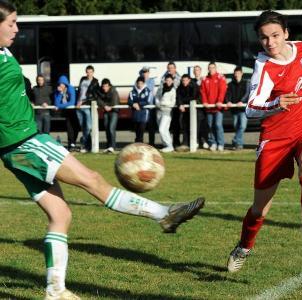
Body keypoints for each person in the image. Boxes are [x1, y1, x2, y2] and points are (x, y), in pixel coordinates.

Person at [0, 2, 205, 299]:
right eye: (12, 23)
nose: (17, 28)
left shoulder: (5, 53)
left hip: (19, 145)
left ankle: (55, 290)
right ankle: (163, 213)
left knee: (61, 215)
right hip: (24, 142)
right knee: (93, 180)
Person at [227, 10, 302, 273]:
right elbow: (250, 107)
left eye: (275, 36)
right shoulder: (264, 68)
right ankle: (244, 247)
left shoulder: (299, 48)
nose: (270, 43)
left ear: (286, 34)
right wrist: (276, 103)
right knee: (260, 209)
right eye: (263, 38)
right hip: (276, 138)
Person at [200, 62, 227, 151]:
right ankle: (213, 143)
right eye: (210, 68)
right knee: (210, 125)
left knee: (218, 125)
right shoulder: (205, 79)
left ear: (216, 68)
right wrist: (205, 102)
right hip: (209, 108)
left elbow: (222, 91)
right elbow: (203, 92)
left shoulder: (221, 78)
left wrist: (219, 101)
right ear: (208, 69)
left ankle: (220, 143)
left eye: (213, 67)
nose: (211, 69)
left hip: (218, 108)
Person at [225, 66, 250, 150]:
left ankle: (236, 140)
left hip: (243, 109)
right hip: (234, 109)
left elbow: (247, 94)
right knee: (236, 126)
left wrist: (242, 101)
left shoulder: (246, 83)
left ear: (241, 74)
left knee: (242, 126)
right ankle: (239, 144)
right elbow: (228, 94)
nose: (236, 75)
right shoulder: (230, 84)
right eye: (235, 73)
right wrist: (228, 101)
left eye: (238, 73)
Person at [76, 65, 99, 153]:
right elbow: (79, 91)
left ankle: (86, 145)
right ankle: (87, 146)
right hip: (79, 106)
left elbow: (94, 96)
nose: (89, 73)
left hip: (87, 106)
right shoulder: (82, 79)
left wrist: (83, 101)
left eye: (90, 72)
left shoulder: (95, 82)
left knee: (88, 127)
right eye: (87, 72)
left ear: (93, 72)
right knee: (83, 127)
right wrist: (78, 101)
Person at [54, 75, 80, 151]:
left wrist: (60, 106)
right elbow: (56, 103)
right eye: (59, 83)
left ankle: (73, 142)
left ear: (65, 83)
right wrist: (60, 93)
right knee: (69, 127)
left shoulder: (71, 88)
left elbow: (72, 102)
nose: (60, 85)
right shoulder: (58, 91)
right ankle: (71, 143)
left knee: (76, 127)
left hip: (73, 110)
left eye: (62, 83)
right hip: (66, 111)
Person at [176, 74, 200, 150]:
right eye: (183, 80)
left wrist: (182, 102)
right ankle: (185, 143)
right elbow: (178, 97)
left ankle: (195, 142)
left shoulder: (194, 86)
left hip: (195, 111)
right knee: (184, 126)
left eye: (186, 80)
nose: (184, 82)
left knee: (195, 127)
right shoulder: (180, 88)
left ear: (189, 80)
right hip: (185, 110)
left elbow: (194, 97)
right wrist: (180, 104)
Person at [96, 78, 120, 153]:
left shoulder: (114, 91)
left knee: (111, 128)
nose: (104, 88)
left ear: (109, 86)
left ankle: (112, 146)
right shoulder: (100, 91)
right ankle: (109, 145)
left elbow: (114, 102)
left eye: (106, 86)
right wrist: (104, 106)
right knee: (106, 128)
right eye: (103, 86)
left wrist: (106, 106)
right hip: (106, 111)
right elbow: (98, 100)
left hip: (114, 112)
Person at [161, 61, 181, 147]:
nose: (170, 70)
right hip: (166, 106)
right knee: (166, 126)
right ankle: (167, 143)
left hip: (175, 104)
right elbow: (161, 90)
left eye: (172, 68)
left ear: (175, 69)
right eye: (169, 68)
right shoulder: (163, 78)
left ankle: (176, 142)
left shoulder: (179, 78)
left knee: (176, 124)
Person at [128, 76, 152, 143]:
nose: (140, 85)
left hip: (144, 113)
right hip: (135, 114)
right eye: (138, 83)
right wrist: (133, 104)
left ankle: (140, 143)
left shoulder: (147, 91)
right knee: (136, 130)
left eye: (141, 83)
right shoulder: (132, 92)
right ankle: (137, 142)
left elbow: (147, 101)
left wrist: (139, 104)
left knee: (142, 129)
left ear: (144, 83)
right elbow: (129, 101)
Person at [155, 74, 176, 153]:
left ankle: (169, 145)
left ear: (172, 81)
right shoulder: (160, 88)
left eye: (170, 80)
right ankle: (168, 145)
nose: (168, 82)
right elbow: (156, 97)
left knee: (162, 129)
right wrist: (158, 104)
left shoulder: (173, 90)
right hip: (159, 111)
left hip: (167, 111)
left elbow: (173, 102)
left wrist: (164, 103)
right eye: (167, 80)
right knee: (165, 130)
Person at [140, 66, 157, 146]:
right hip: (142, 106)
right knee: (142, 125)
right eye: (144, 72)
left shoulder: (151, 81)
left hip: (150, 106)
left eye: (146, 72)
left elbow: (148, 90)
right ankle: (140, 142)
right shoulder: (138, 81)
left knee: (151, 126)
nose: (145, 74)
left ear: (149, 73)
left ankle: (152, 143)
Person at [193, 65, 209, 149]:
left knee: (204, 125)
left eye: (198, 70)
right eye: (195, 70)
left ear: (200, 71)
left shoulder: (205, 80)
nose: (196, 72)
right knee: (196, 126)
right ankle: (196, 141)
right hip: (195, 108)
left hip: (204, 107)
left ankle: (204, 141)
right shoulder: (192, 81)